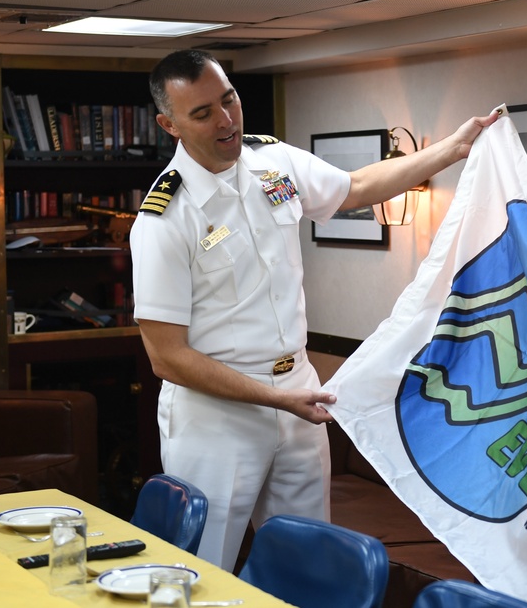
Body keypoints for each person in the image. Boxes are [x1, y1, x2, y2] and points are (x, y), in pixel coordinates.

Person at [130, 48, 499, 570]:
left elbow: (358, 188)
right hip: (217, 416)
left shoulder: (272, 163)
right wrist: (275, 399)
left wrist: (452, 149)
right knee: (200, 570)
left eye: (229, 100)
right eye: (203, 113)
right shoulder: (165, 219)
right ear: (170, 125)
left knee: (307, 566)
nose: (227, 120)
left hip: (299, 394)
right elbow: (167, 358)